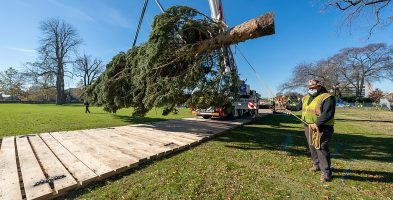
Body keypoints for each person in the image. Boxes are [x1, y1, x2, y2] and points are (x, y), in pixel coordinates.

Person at [301, 79, 336, 182]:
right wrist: (285, 106)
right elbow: (300, 107)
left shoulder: (327, 97)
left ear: (319, 87)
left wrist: (316, 124)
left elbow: (328, 114)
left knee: (321, 147)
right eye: (309, 88)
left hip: (323, 127)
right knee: (311, 145)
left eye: (313, 87)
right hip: (308, 126)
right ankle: (316, 164)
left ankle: (326, 172)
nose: (311, 89)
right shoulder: (305, 98)